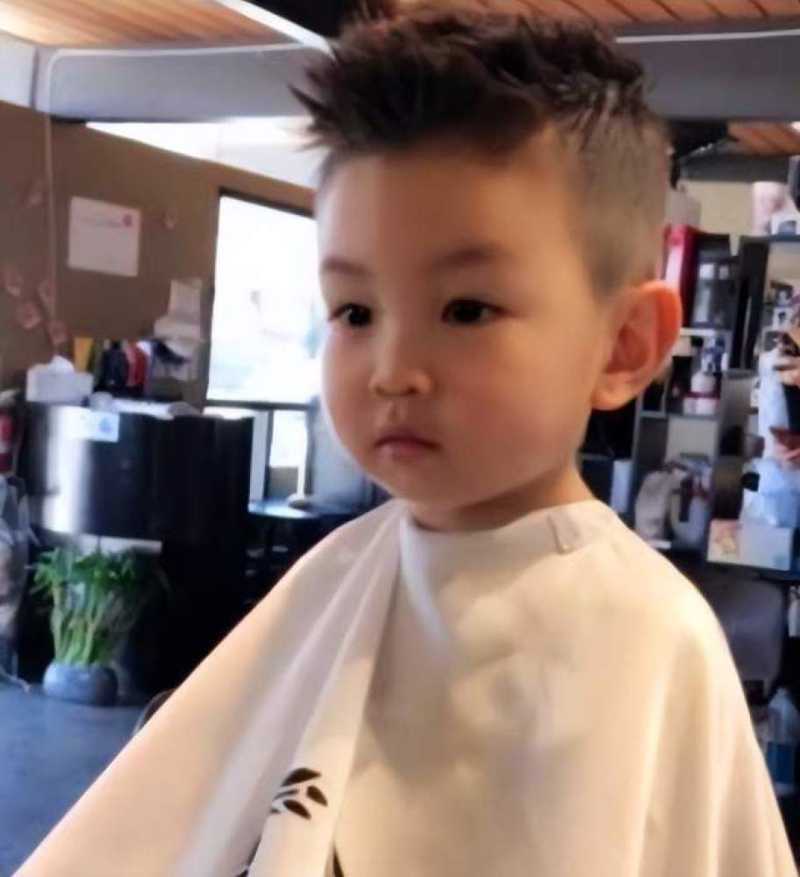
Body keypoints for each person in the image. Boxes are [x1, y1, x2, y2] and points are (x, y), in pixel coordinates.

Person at [17, 4, 796, 876]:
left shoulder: (655, 640)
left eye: (466, 309)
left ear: (622, 346)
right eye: (354, 311)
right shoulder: (333, 576)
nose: (391, 371)